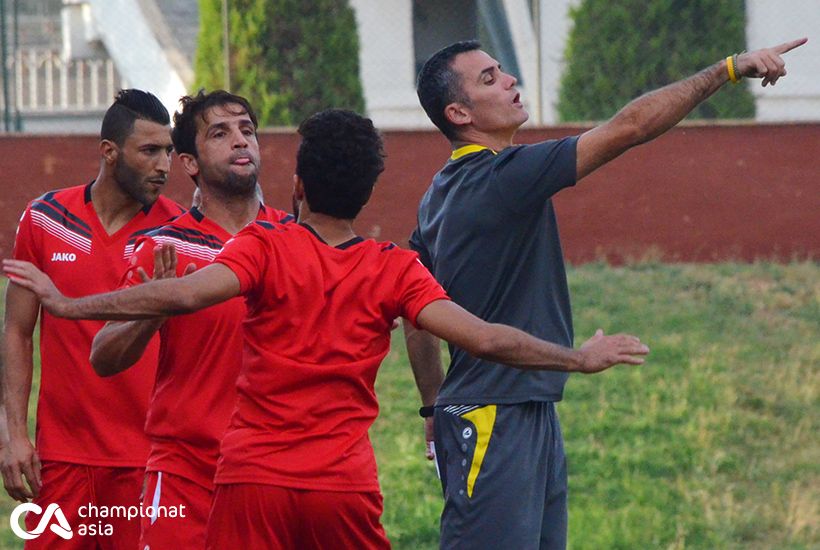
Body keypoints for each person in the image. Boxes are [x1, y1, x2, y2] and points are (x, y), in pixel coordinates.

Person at [4, 109, 649, 549]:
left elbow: (181, 293)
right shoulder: (394, 269)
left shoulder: (264, 246)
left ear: (298, 184)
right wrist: (578, 358)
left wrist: (67, 306)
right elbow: (485, 337)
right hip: (340, 487)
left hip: (252, 480)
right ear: (369, 191)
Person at [408, 37, 807, 549]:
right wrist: (727, 69)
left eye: (502, 70)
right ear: (458, 112)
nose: (509, 80)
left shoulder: (438, 193)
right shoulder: (502, 176)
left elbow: (413, 310)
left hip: (516, 410)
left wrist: (431, 407)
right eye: (489, 78)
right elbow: (631, 127)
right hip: (493, 419)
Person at [87, 89, 293, 548]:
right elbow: (103, 356)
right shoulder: (163, 247)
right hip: (186, 477)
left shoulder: (297, 240)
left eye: (247, 130)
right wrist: (153, 310)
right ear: (189, 163)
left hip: (276, 474)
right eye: (219, 133)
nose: (241, 141)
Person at [1, 89, 184, 549]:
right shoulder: (45, 219)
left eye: (168, 151)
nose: (164, 165)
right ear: (109, 152)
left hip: (146, 461)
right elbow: (17, 332)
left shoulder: (177, 234)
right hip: (60, 460)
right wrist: (14, 436)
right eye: (149, 151)